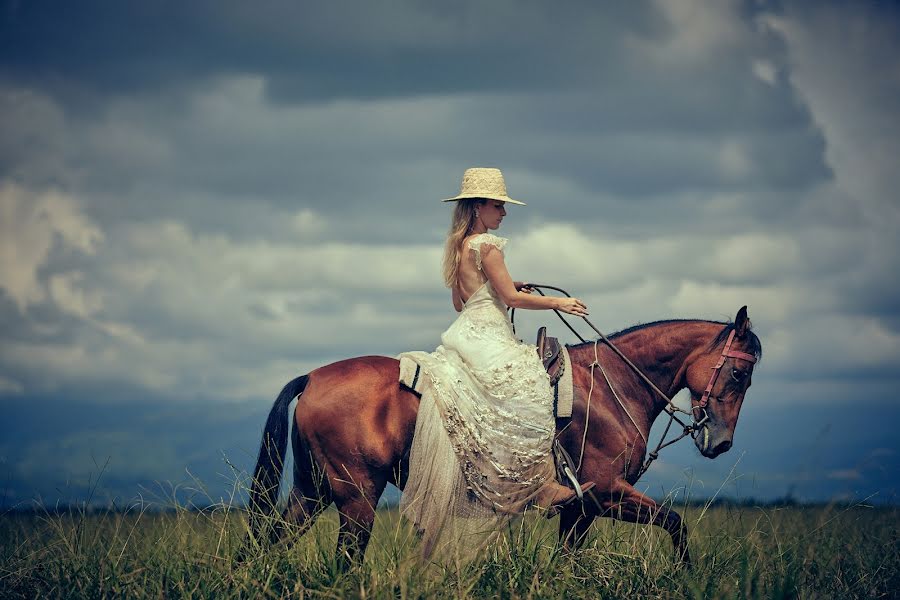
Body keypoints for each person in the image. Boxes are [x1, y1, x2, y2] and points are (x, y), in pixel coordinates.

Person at [399, 167, 594, 561]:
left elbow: (461, 302)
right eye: (498, 205)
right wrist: (560, 302)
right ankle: (539, 486)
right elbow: (511, 297)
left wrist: (500, 289)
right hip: (490, 335)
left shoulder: (460, 245)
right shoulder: (488, 245)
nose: (504, 212)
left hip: (466, 330)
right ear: (479, 207)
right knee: (531, 388)